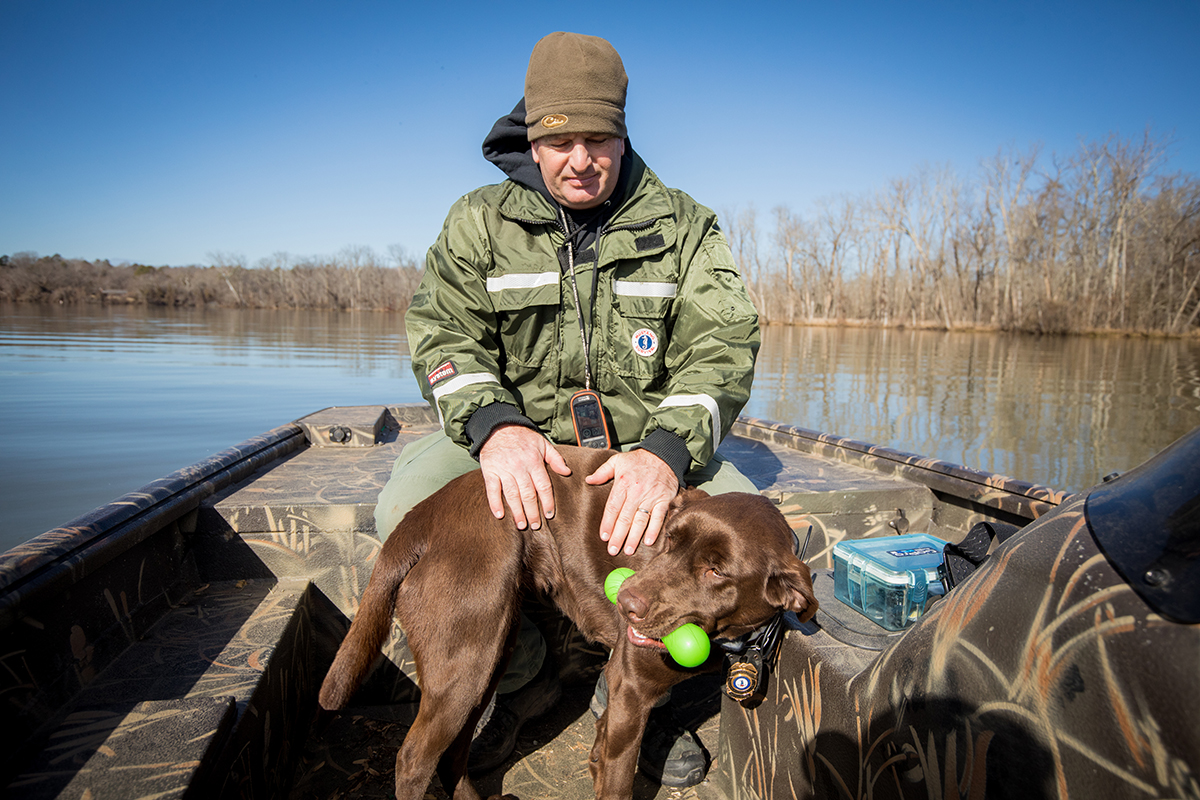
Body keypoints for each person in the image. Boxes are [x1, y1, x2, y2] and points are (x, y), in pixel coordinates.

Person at [373, 31, 760, 788]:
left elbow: (724, 345)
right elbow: (443, 335)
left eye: (599, 138)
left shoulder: (685, 227)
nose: (580, 159)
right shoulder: (479, 222)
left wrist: (665, 452)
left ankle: (643, 693)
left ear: (622, 135)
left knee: (740, 529)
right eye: (560, 139)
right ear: (532, 135)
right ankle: (518, 678)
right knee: (404, 506)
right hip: (518, 440)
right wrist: (495, 426)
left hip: (640, 447)